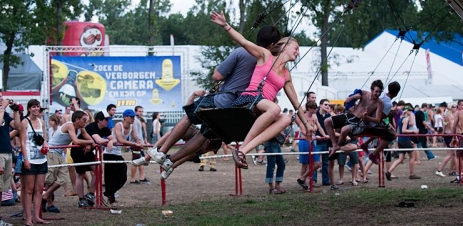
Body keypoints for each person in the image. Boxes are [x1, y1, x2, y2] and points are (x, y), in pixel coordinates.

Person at [137, 25, 283, 178]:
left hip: (222, 100)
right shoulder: (272, 66)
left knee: (189, 116)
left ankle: (161, 152)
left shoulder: (242, 52)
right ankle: (171, 161)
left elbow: (217, 76)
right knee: (203, 135)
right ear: (272, 45)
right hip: (238, 109)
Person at [210, 11, 312, 169]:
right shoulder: (265, 56)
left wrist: (306, 124)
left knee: (285, 119)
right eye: (296, 48)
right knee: (275, 108)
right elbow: (243, 41)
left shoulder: (287, 75)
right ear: (284, 46)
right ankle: (242, 149)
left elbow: (296, 104)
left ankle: (242, 150)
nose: (298, 52)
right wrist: (225, 25)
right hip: (249, 98)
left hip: (263, 108)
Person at [42, 110, 94, 213]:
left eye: (86, 120)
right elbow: (77, 141)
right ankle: (49, 204)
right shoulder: (70, 125)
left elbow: (90, 139)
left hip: (59, 153)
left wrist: (89, 143)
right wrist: (89, 142)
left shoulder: (81, 128)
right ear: (77, 120)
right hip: (52, 152)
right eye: (84, 120)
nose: (85, 122)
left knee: (63, 179)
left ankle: (45, 196)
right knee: (50, 180)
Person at [324, 80, 385, 158]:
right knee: (327, 121)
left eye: (380, 92)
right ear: (372, 90)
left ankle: (338, 146)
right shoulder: (363, 93)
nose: (378, 94)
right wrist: (353, 97)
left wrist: (367, 117)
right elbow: (346, 101)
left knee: (344, 129)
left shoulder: (379, 103)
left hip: (360, 121)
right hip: (350, 115)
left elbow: (377, 120)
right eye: (376, 91)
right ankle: (334, 144)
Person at [0, 89, 21, 226]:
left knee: (1, 190)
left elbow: (18, 127)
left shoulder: (4, 113)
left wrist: (16, 112)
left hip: (8, 153)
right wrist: (2, 108)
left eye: (2, 97)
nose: (1, 98)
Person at [103, 109, 142, 207]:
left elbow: (135, 137)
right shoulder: (118, 125)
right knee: (111, 177)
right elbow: (120, 140)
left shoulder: (132, 126)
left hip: (117, 153)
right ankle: (110, 197)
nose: (133, 119)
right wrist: (134, 144)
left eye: (134, 117)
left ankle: (108, 193)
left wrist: (139, 142)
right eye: (132, 117)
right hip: (109, 153)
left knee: (122, 176)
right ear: (125, 117)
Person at [77, 111, 116, 207]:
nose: (108, 122)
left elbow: (113, 138)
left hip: (89, 151)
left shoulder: (104, 128)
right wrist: (109, 141)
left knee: (98, 171)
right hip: (79, 151)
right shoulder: (92, 127)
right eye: (106, 120)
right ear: (99, 120)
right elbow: (99, 140)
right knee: (81, 174)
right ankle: (81, 199)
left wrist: (111, 142)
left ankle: (90, 194)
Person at [19, 99, 49, 225]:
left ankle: (37, 216)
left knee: (38, 189)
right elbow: (22, 142)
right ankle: (28, 217)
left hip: (41, 159)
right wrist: (25, 159)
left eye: (38, 107)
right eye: (34, 107)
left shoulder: (41, 122)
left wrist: (46, 145)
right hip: (30, 159)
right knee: (28, 190)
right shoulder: (24, 122)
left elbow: (44, 138)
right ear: (29, 108)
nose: (36, 109)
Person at [385, 105, 420, 180]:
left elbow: (400, 130)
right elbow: (404, 131)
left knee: (400, 159)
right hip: (405, 139)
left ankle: (389, 171)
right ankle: (412, 174)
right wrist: (413, 131)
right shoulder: (406, 120)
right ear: (407, 111)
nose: (411, 112)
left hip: (401, 139)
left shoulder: (400, 119)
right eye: (410, 111)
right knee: (412, 157)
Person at [296, 101, 325, 190]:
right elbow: (303, 131)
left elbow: (319, 127)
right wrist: (313, 134)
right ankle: (305, 183)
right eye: (314, 109)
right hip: (304, 141)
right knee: (305, 164)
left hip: (312, 141)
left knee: (317, 164)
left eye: (316, 108)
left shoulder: (314, 116)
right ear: (309, 108)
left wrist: (324, 135)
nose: (315, 110)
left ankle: (302, 178)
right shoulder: (303, 117)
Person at [313, 99, 331, 186]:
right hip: (317, 141)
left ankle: (326, 180)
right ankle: (314, 180)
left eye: (328, 105)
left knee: (326, 162)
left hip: (326, 141)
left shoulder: (329, 116)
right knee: (316, 161)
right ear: (320, 105)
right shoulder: (315, 115)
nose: (327, 106)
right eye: (326, 104)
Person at [129, 106, 149, 184]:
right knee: (135, 161)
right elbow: (134, 133)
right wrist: (138, 142)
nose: (141, 112)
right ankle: (133, 179)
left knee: (141, 160)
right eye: (139, 111)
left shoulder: (138, 120)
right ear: (135, 112)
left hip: (139, 144)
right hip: (136, 144)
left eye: (142, 111)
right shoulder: (135, 120)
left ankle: (141, 177)